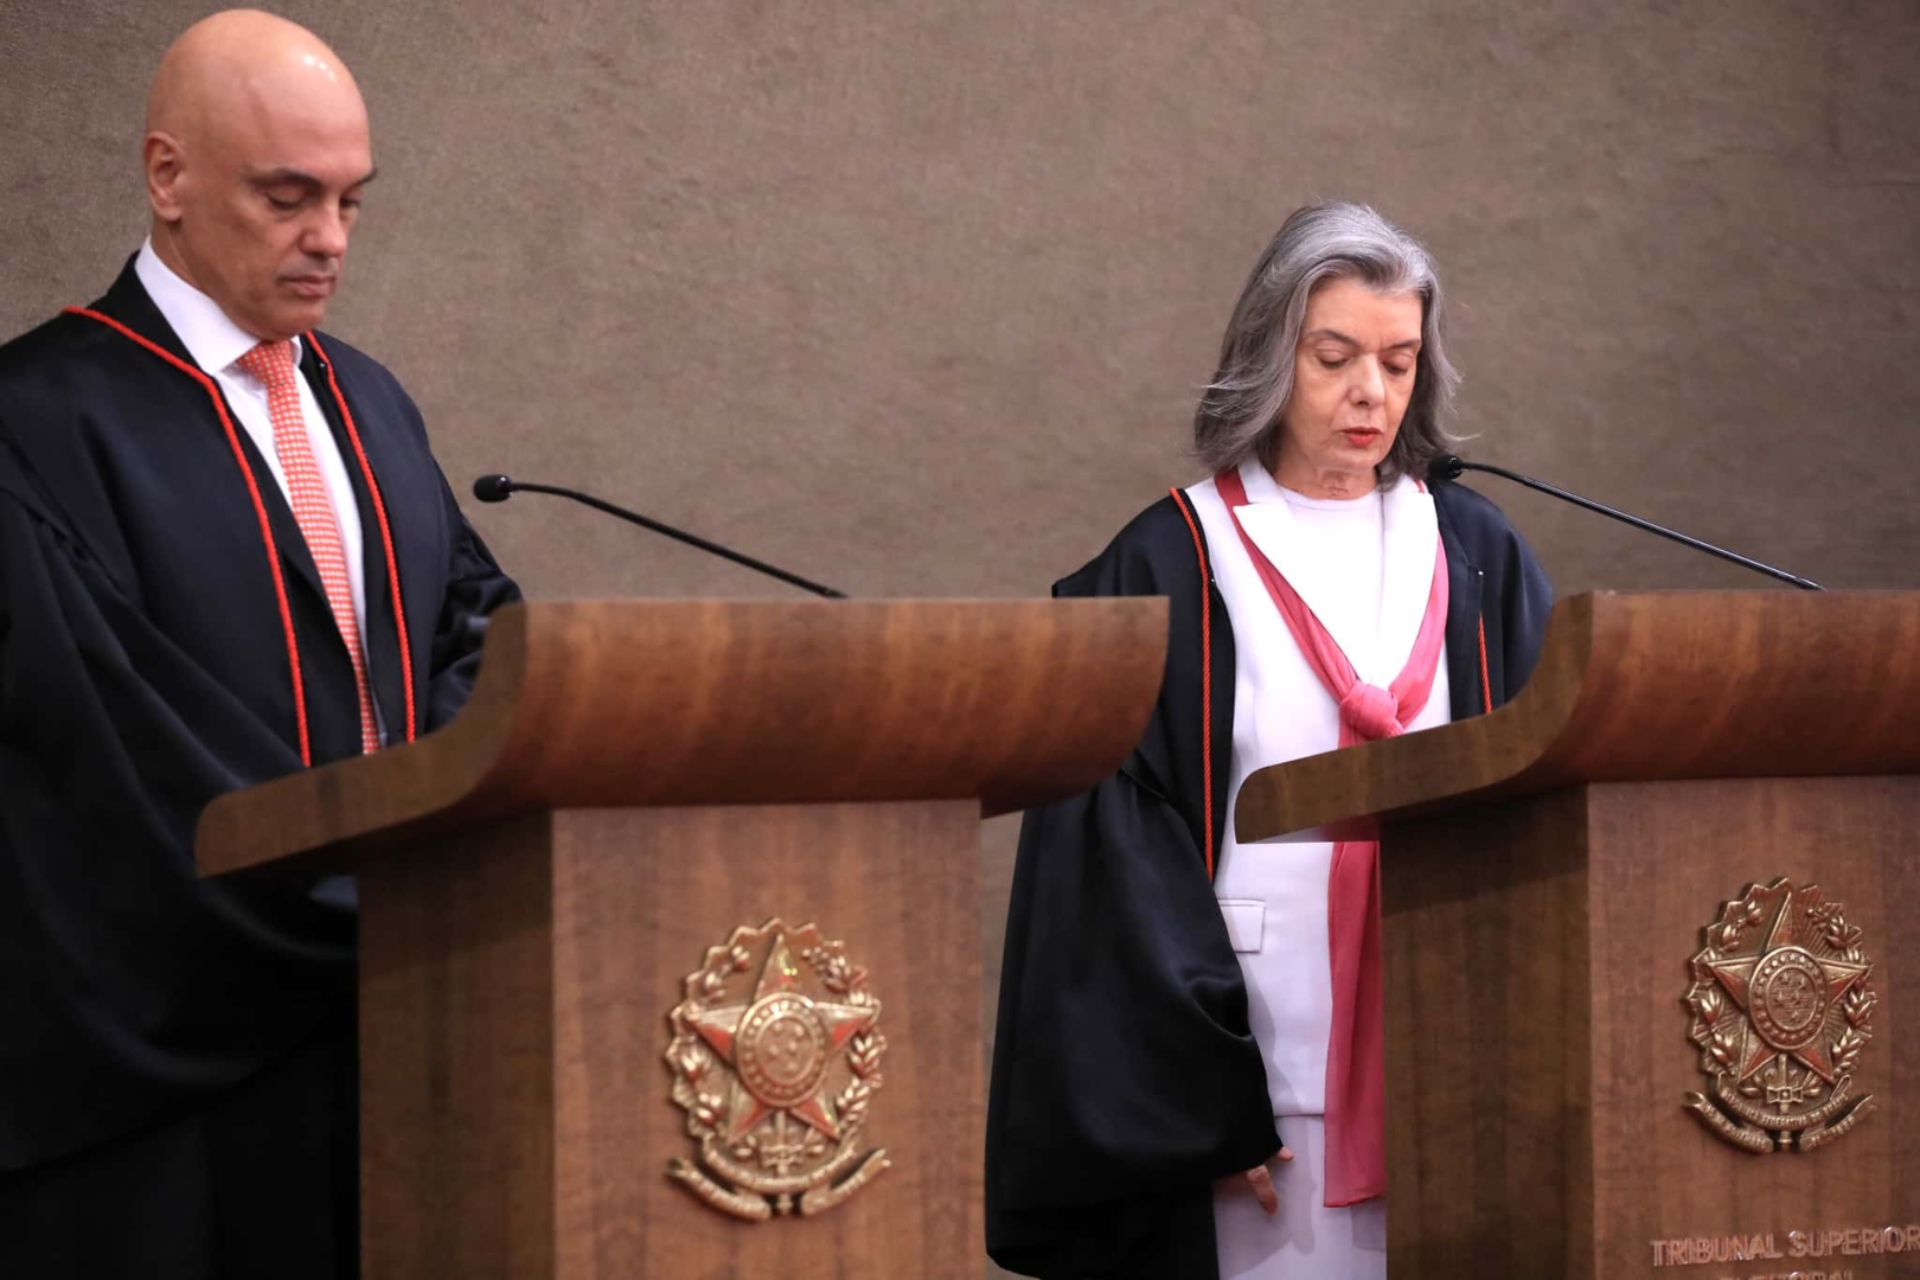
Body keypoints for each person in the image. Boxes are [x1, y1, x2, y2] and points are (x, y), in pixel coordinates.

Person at [0, 11, 518, 1276]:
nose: (329, 238)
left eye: (351, 200)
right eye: (289, 196)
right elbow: (108, 762)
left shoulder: (367, 398)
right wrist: (383, 898)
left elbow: (474, 635)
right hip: (174, 1082)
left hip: (395, 1038)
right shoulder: (35, 425)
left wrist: (434, 856)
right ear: (168, 176)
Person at [986, 202, 1553, 1279]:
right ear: (1268, 357)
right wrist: (1195, 1110)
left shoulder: (1476, 550)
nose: (1370, 393)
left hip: (1457, 1074)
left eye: (1397, 359)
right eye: (1334, 356)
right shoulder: (1170, 559)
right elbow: (1114, 867)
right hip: (1257, 1094)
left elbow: (1546, 796)